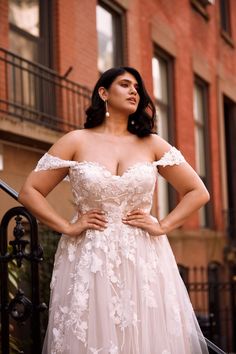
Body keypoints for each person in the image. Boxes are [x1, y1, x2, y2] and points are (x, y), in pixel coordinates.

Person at [19, 66, 210, 354]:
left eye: (137, 87)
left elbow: (198, 192)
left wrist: (163, 225)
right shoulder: (76, 140)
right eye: (125, 84)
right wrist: (67, 226)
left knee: (143, 335)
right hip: (89, 254)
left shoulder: (153, 143)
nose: (135, 91)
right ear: (103, 93)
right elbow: (30, 191)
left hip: (144, 255)